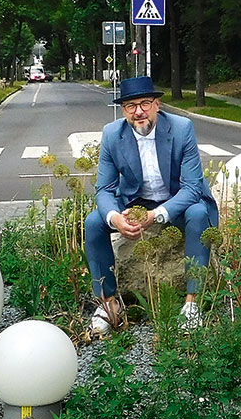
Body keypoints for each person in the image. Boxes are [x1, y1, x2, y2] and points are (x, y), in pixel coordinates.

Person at [84, 76, 219, 335]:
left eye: (145, 103)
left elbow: (192, 187)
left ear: (157, 104)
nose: (138, 112)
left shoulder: (181, 129)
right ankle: (108, 304)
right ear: (123, 110)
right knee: (93, 222)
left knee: (199, 213)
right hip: (136, 200)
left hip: (177, 198)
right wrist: (115, 218)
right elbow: (104, 189)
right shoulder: (112, 135)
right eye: (130, 106)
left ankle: (192, 304)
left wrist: (155, 216)